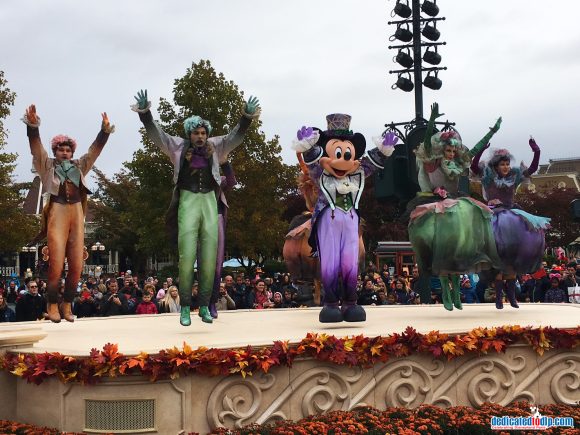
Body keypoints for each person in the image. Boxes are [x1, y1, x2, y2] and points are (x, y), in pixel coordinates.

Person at [132, 90, 260, 326]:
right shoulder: (178, 147)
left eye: (203, 133)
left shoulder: (215, 146)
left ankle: (204, 306)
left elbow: (234, 137)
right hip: (189, 201)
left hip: (209, 201)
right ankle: (185, 309)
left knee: (209, 256)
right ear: (189, 134)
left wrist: (246, 119)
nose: (200, 136)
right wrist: (146, 114)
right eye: (195, 133)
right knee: (187, 254)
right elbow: (157, 135)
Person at [293, 114, 398, 322]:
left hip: (350, 222)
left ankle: (351, 302)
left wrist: (384, 151)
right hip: (328, 221)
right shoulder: (320, 174)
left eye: (347, 155)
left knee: (350, 262)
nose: (342, 160)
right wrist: (308, 146)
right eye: (336, 153)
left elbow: (372, 164)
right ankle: (331, 304)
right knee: (330, 262)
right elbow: (313, 162)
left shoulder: (357, 175)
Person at [22, 104, 114, 323]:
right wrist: (33, 127)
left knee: (76, 265)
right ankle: (52, 304)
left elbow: (94, 152)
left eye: (68, 150)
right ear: (55, 152)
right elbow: (36, 149)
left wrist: (104, 132)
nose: (65, 153)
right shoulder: (48, 166)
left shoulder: (79, 167)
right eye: (61, 150)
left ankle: (67, 304)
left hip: (76, 212)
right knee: (55, 264)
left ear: (72, 152)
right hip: (58, 211)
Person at [408, 102, 501, 311]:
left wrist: (491, 133)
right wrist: (431, 120)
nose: (450, 154)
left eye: (453, 151)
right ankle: (444, 290)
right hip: (431, 199)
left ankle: (458, 287)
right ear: (442, 150)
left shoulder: (458, 163)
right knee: (430, 234)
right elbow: (426, 143)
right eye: (447, 150)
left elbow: (476, 149)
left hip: (454, 199)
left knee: (472, 217)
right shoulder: (432, 162)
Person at [470, 138, 550, 309]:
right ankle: (499, 298)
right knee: (498, 257)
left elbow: (532, 169)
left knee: (512, 258)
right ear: (496, 166)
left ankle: (512, 297)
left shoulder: (514, 176)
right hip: (493, 216)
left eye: (507, 164)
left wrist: (537, 152)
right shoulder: (488, 178)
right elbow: (474, 167)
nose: (506, 167)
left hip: (511, 214)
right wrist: (480, 151)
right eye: (502, 164)